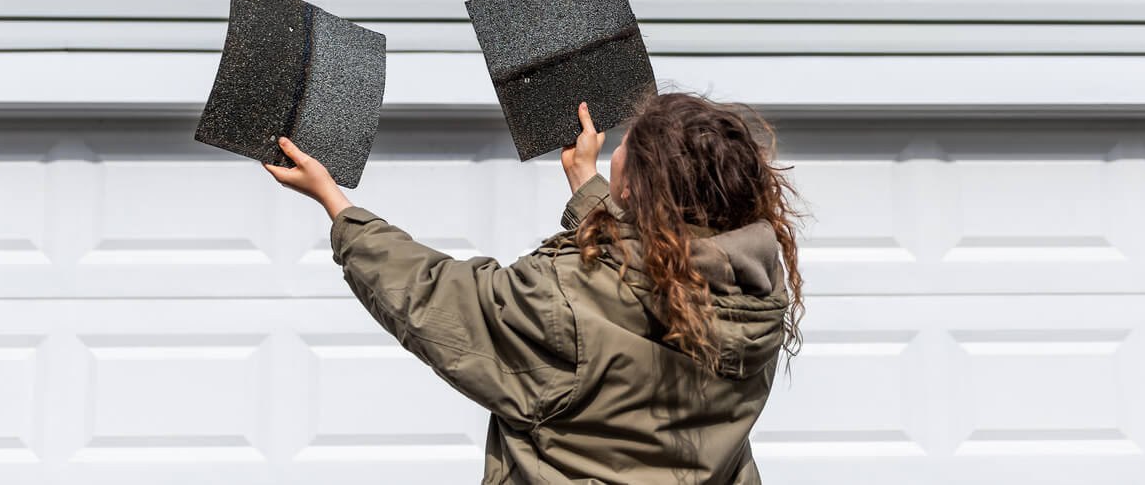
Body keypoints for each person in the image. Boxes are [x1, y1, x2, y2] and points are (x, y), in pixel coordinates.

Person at [265, 92, 805, 484]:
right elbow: (657, 265)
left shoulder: (563, 298)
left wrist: (336, 204)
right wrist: (593, 194)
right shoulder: (754, 295)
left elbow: (434, 297)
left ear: (638, 185)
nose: (615, 151)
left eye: (627, 149)